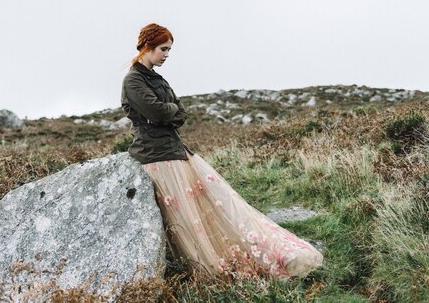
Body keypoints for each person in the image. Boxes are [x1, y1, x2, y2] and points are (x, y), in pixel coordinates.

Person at [121, 23, 323, 279]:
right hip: (157, 157)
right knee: (189, 221)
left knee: (217, 207)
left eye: (169, 50)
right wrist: (167, 111)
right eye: (163, 49)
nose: (167, 55)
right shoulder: (133, 80)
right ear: (147, 47)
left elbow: (179, 112)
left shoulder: (157, 79)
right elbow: (161, 111)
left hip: (175, 152)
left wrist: (167, 112)